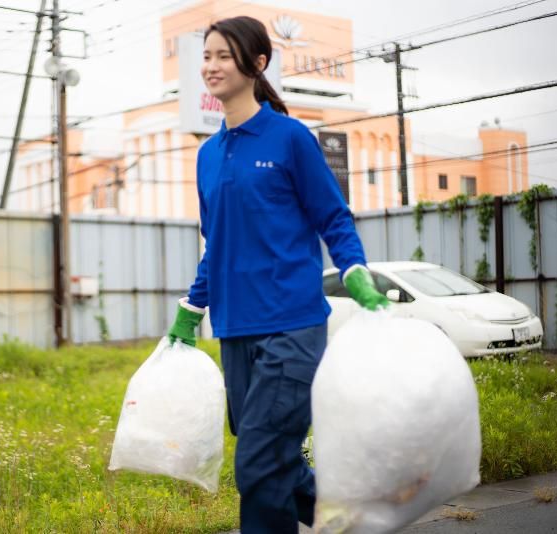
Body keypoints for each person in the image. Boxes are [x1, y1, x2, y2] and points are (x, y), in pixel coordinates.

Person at [167, 15, 390, 534]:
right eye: (207, 56)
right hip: (234, 331)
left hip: (292, 326)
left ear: (258, 63)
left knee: (257, 466)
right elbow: (216, 243)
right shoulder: (207, 155)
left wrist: (354, 268)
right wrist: (190, 308)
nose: (212, 66)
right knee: (275, 463)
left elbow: (331, 216)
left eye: (224, 55)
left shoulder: (289, 138)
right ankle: (356, 523)